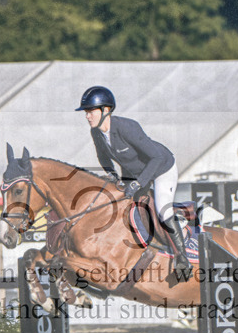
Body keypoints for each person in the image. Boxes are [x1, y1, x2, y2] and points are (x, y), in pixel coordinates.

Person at [76, 85, 191, 279]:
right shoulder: (96, 132)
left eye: (91, 111)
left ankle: (182, 257)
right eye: (86, 112)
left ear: (106, 110)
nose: (87, 116)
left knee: (163, 210)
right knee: (123, 206)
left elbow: (155, 158)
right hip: (133, 172)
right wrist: (112, 175)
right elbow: (103, 157)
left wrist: (138, 183)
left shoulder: (127, 127)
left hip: (161, 167)